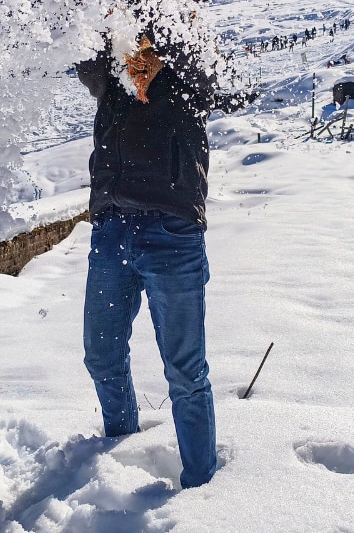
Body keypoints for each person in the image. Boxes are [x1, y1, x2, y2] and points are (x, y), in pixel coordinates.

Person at [75, 31, 250, 489]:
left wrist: (165, 53)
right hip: (111, 228)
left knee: (185, 372)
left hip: (171, 230)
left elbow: (209, 75)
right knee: (102, 354)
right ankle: (119, 452)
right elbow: (86, 69)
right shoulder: (112, 57)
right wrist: (100, 32)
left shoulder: (185, 58)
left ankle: (200, 488)